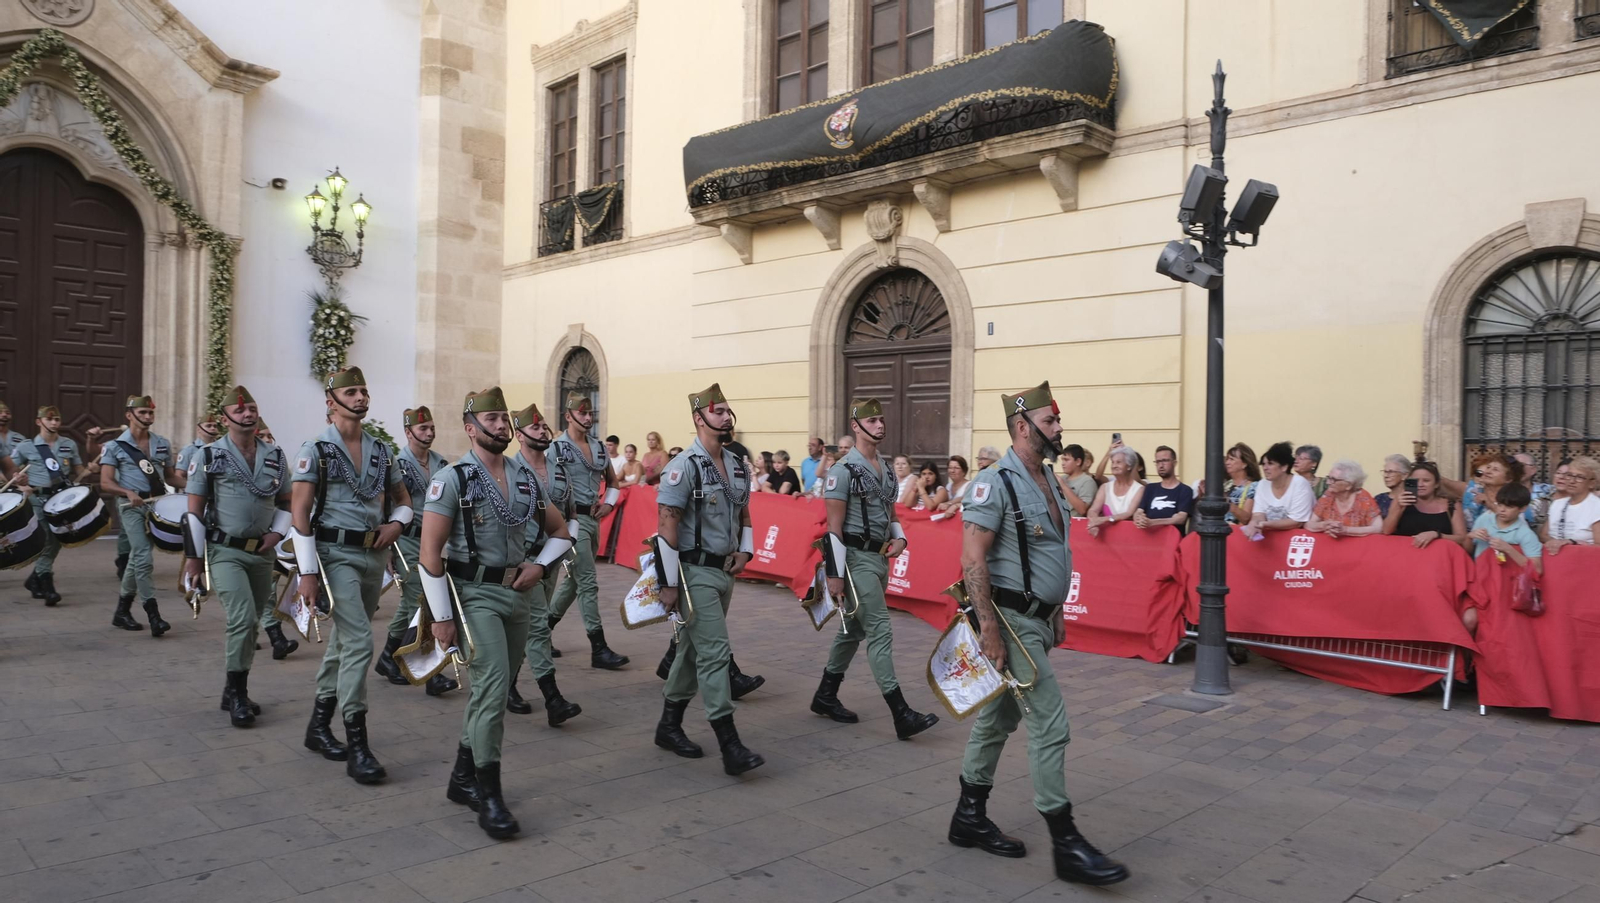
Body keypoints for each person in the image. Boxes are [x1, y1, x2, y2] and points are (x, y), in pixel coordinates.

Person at [953, 381, 1128, 887]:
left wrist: (1055, 612)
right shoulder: (995, 482)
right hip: (1008, 624)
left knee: (997, 720)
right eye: (1051, 422)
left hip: (1037, 620)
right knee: (1051, 723)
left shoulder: (1049, 480)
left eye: (1057, 421)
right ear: (1023, 426)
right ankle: (1066, 841)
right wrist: (989, 628)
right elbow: (972, 559)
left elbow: (1053, 550)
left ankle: (968, 816)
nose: (1059, 429)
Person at [419, 388, 576, 839]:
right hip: (475, 596)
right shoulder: (453, 479)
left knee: (495, 689)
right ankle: (490, 794)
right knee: (491, 689)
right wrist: (441, 617)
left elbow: (561, 531)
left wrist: (539, 564)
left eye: (504, 418)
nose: (502, 424)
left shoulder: (525, 477)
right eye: (491, 418)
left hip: (519, 595)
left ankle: (461, 777)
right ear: (471, 429)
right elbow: (430, 553)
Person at [289, 367, 412, 785]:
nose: (361, 397)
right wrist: (307, 573)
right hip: (333, 554)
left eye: (364, 391)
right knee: (360, 640)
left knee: (343, 642)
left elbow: (402, 501)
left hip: (372, 556)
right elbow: (300, 513)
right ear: (331, 401)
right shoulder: (317, 449)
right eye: (351, 392)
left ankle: (318, 726)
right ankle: (357, 742)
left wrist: (396, 525)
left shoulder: (381, 450)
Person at [651, 384, 766, 775]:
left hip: (724, 571)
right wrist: (668, 583)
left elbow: (745, 516)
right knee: (715, 653)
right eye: (718, 412)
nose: (726, 417)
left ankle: (668, 725)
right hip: (693, 572)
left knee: (691, 652)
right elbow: (666, 527)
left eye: (728, 411)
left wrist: (746, 551)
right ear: (699, 419)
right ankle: (729, 743)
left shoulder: (735, 464)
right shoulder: (683, 466)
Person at [811, 398, 940, 740]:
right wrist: (835, 575)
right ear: (856, 426)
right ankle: (901, 713)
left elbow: (892, 514)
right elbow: (833, 529)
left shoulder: (883, 467)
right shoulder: (842, 471)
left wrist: (900, 539)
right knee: (880, 630)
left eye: (882, 419)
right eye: (873, 420)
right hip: (854, 560)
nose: (880, 425)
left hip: (879, 558)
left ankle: (825, 695)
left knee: (853, 630)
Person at [182, 386, 292, 728]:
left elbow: (287, 501)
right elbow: (194, 510)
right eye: (241, 410)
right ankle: (238, 694)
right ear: (225, 418)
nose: (248, 414)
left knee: (253, 622)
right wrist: (194, 558)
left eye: (252, 409)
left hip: (262, 551)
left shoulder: (275, 455)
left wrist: (277, 532)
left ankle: (232, 691)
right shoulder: (209, 456)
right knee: (242, 619)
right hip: (225, 550)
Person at [504, 401, 585, 724]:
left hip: (552, 557)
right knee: (538, 627)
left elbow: (572, 514)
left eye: (543, 426)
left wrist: (569, 541)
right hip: (523, 560)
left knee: (525, 629)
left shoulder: (560, 470)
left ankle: (507, 684)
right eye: (535, 427)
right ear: (520, 435)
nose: (542, 431)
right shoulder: (508, 471)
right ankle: (554, 700)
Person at [373, 406, 455, 695]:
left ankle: (387, 657)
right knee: (426, 601)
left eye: (431, 427)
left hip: (432, 542)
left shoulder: (440, 462)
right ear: (408, 432)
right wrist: (390, 551)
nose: (429, 433)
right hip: (407, 540)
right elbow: (388, 507)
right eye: (423, 429)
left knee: (412, 604)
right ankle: (432, 673)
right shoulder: (398, 464)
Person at [545, 393, 628, 669]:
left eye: (590, 413)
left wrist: (609, 504)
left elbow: (613, 482)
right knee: (588, 581)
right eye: (582, 413)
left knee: (573, 583)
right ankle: (598, 647)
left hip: (592, 520)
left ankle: (542, 631)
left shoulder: (599, 447)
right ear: (568, 416)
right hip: (570, 521)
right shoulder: (556, 448)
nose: (588, 418)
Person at [101, 394, 187, 636]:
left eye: (151, 413)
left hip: (156, 503)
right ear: (129, 415)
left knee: (137, 559)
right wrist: (126, 491)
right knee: (143, 557)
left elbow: (170, 477)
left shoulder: (161, 443)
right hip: (131, 507)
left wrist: (196, 485)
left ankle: (122, 611)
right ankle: (154, 615)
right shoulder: (115, 446)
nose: (148, 417)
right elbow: (105, 483)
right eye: (143, 413)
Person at [12, 404, 100, 606]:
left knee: (57, 540)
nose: (54, 422)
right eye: (49, 419)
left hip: (61, 499)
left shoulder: (68, 444)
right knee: (48, 541)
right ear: (38, 421)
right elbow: (10, 470)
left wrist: (91, 469)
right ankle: (47, 584)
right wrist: (18, 482)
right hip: (37, 499)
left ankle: (34, 579)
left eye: (57, 419)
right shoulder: (27, 446)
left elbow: (79, 471)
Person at [1466, 482, 1542, 634]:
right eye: (1500, 504)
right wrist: (1469, 536)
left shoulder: (1526, 534)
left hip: (1505, 592)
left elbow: (1537, 570)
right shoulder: (1484, 519)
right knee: (1469, 620)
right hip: (1477, 585)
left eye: (1509, 507)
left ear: (1522, 509)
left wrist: (1508, 549)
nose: (1501, 510)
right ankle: (1466, 656)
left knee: (1494, 630)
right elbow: (1467, 549)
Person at [1382, 462, 1468, 549]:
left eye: (1426, 481)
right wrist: (1398, 507)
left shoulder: (1451, 505)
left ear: (1436, 484)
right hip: (1408, 556)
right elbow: (1386, 530)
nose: (1420, 484)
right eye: (1416, 480)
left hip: (1439, 557)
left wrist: (1436, 535)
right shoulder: (1400, 501)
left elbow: (1461, 538)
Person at [1239, 442, 1315, 539]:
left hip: (1298, 540)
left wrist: (1265, 524)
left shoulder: (1300, 484)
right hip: (1271, 540)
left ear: (1284, 467)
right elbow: (1258, 513)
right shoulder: (1263, 484)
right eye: (1264, 464)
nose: (1265, 468)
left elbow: (1297, 521)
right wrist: (1254, 522)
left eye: (1270, 464)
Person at [1306, 460, 1383, 537]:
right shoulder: (1328, 495)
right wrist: (1324, 525)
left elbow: (1378, 528)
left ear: (1349, 485)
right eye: (1328, 478)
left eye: (1334, 480)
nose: (1328, 482)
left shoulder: (1363, 498)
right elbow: (1309, 524)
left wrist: (1346, 530)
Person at [1451, 452, 1525, 529]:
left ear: (1508, 479)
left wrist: (1488, 502)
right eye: (1488, 467)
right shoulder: (1472, 489)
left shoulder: (1514, 498)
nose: (1487, 472)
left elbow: (1516, 523)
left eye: (1495, 470)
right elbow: (1441, 483)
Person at [1543, 456, 1600, 552]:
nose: (1572, 481)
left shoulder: (1596, 507)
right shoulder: (1557, 504)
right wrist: (1556, 544)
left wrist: (1571, 544)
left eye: (1580, 477)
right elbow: (1543, 535)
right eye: (1569, 475)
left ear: (1592, 483)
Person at [1086, 446, 1142, 538]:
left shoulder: (1139, 489)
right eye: (1113, 462)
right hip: (1107, 538)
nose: (1114, 466)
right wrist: (1093, 521)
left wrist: (1103, 520)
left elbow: (1128, 513)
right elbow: (1093, 509)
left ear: (1129, 466)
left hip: (1129, 537)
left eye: (1119, 462)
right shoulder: (1105, 487)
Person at [1134, 446, 1193, 533]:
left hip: (1172, 540)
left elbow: (1181, 518)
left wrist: (1152, 522)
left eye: (1165, 460)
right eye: (1158, 462)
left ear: (1174, 463)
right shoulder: (1150, 488)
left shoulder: (1185, 490)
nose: (1161, 465)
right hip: (1149, 538)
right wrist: (1139, 518)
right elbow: (1139, 511)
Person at [1514, 452, 1557, 529]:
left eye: (1521, 465)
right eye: (1513, 465)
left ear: (1533, 470)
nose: (1516, 469)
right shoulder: (1501, 491)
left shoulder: (1547, 490)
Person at [175, 417, 221, 488]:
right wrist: (193, 488)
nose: (213, 428)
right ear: (199, 429)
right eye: (208, 426)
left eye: (215, 426)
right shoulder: (189, 450)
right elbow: (179, 475)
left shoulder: (221, 448)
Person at [1056, 445, 1097, 517]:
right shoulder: (1062, 478)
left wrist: (1063, 485)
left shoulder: (1087, 481)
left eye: (1066, 460)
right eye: (1062, 460)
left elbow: (1082, 509)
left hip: (1075, 525)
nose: (1063, 463)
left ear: (1078, 462)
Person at [1373, 454, 1411, 518]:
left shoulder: (1411, 499)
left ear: (1404, 475)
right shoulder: (1379, 499)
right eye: (1385, 471)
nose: (1386, 476)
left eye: (1391, 472)